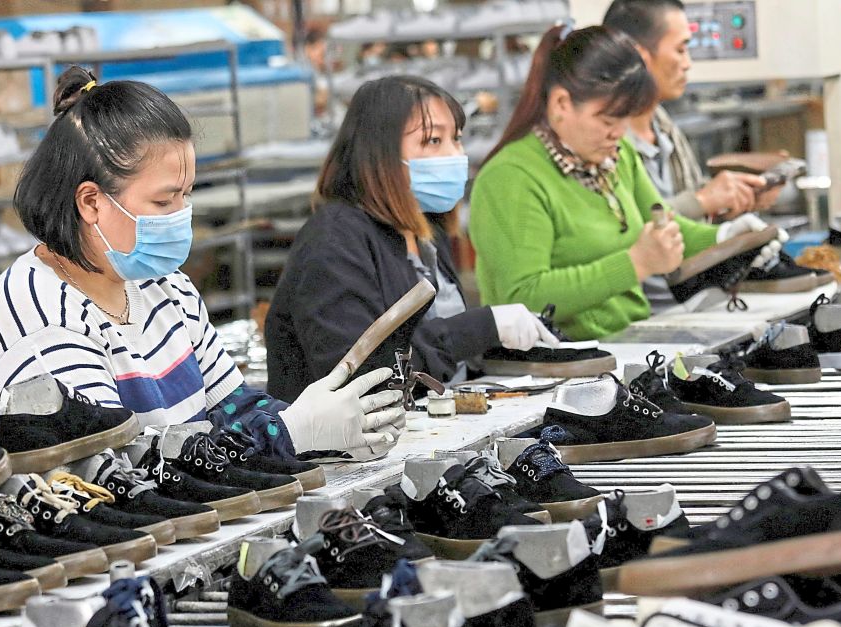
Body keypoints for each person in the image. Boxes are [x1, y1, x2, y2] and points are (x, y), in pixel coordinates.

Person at [0, 67, 402, 459]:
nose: (182, 215)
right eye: (164, 200)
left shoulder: (163, 287)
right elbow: (120, 474)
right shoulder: (43, 319)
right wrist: (292, 434)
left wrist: (329, 428)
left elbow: (230, 408)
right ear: (91, 202)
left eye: (186, 195)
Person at [468, 24, 779, 341]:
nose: (618, 133)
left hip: (623, 342)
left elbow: (662, 228)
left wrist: (727, 238)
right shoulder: (511, 177)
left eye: (624, 120)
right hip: (551, 367)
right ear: (561, 103)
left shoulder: (615, 157)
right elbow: (521, 297)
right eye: (606, 121)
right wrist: (634, 264)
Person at [264, 75, 558, 403]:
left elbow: (441, 361)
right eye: (433, 141)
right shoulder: (334, 241)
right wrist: (480, 328)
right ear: (379, 152)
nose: (454, 155)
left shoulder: (425, 232)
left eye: (457, 139)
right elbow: (360, 378)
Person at [603, 0, 777, 220]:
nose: (687, 63)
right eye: (680, 49)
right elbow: (622, 226)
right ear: (638, 57)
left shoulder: (662, 126)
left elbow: (692, 216)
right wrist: (701, 201)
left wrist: (735, 197)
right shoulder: (604, 141)